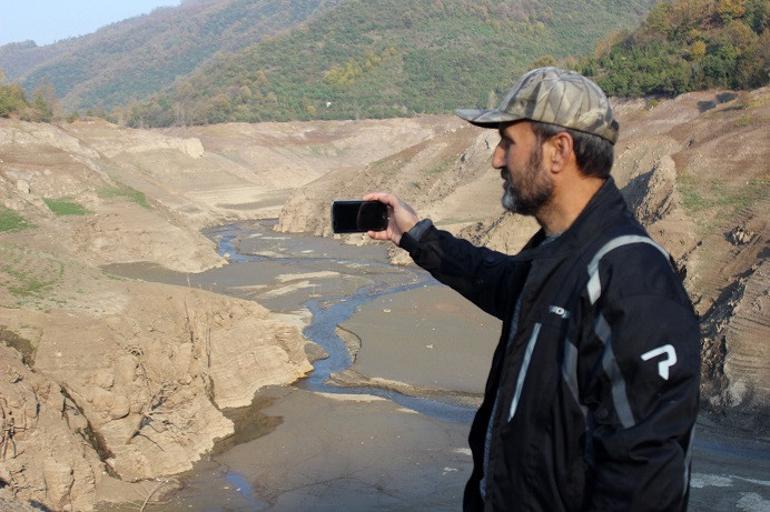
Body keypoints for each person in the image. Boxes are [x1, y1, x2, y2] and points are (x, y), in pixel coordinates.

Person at [364, 67, 700, 511]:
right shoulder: (557, 252)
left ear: (559, 150)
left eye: (508, 142)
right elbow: (500, 280)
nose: (497, 159)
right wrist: (415, 235)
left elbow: (645, 481)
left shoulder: (632, 279)